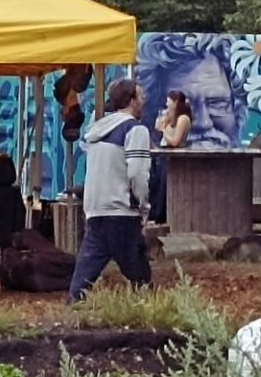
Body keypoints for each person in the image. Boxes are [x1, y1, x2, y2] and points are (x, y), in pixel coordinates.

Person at [68, 78, 153, 304]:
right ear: (131, 100)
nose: (144, 102)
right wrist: (143, 205)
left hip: (95, 210)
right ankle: (151, 316)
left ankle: (69, 314)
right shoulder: (136, 130)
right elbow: (137, 173)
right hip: (122, 211)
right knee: (140, 277)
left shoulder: (95, 131)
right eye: (141, 97)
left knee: (82, 279)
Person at [150, 89, 192, 223]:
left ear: (176, 102)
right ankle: (154, 212)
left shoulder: (183, 119)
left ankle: (163, 215)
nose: (167, 104)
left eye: (169, 101)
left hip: (173, 154)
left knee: (165, 185)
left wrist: (163, 130)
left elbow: (175, 141)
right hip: (162, 152)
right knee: (156, 183)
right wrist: (163, 122)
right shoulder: (170, 116)